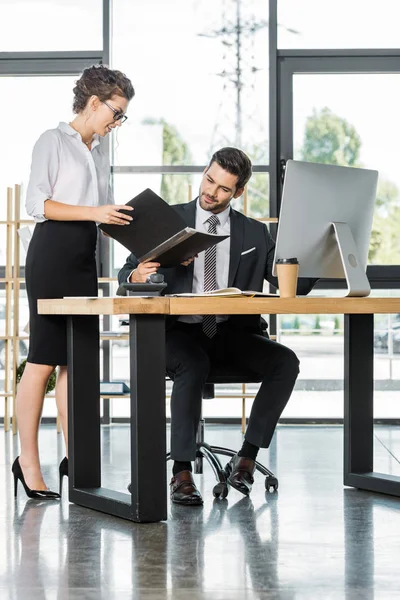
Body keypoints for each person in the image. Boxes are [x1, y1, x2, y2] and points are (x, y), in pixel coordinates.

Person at [118, 147, 316, 506]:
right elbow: (125, 273)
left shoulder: (255, 233)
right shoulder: (170, 220)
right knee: (193, 364)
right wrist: (136, 273)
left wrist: (317, 247)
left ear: (238, 192)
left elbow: (292, 285)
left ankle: (247, 457)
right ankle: (181, 471)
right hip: (176, 334)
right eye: (209, 180)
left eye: (224, 188)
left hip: (230, 334)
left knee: (285, 362)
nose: (211, 192)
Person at [13, 65, 135, 499]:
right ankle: (27, 460)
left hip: (85, 255)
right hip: (51, 255)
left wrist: (123, 223)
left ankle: (74, 457)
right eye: (116, 112)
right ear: (94, 102)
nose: (117, 122)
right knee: (43, 359)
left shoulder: (99, 150)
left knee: (75, 362)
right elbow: (37, 203)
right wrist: (94, 212)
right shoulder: (52, 140)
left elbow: (97, 211)